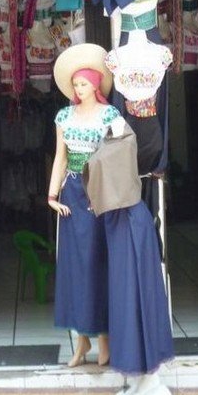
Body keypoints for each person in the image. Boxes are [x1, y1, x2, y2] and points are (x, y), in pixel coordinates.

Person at [48, 43, 123, 367]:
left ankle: (104, 338)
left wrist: (111, 193)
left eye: (83, 83)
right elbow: (60, 158)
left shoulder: (110, 115)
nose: (78, 89)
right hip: (72, 195)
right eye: (75, 84)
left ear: (95, 84)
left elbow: (118, 155)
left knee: (98, 265)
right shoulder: (64, 116)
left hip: (99, 192)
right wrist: (51, 196)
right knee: (73, 268)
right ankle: (82, 340)